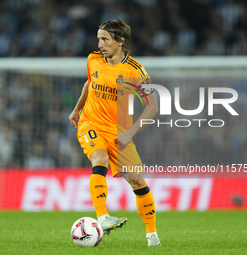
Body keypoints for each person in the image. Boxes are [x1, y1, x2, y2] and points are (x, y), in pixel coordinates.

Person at [69, 19, 160, 247]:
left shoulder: (134, 70)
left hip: (120, 133)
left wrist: (130, 133)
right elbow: (89, 84)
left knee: (138, 181)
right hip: (91, 124)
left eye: (105, 39)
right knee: (99, 159)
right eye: (98, 38)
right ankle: (103, 217)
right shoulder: (93, 60)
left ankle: (152, 235)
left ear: (120, 41)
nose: (100, 44)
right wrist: (78, 109)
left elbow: (153, 106)